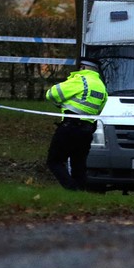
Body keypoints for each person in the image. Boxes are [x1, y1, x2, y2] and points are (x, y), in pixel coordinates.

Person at [45, 57, 108, 191]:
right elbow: (99, 109)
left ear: (83, 67)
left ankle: (72, 189)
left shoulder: (80, 80)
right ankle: (80, 193)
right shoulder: (101, 87)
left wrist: (60, 103)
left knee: (54, 161)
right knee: (79, 165)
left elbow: (51, 94)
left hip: (70, 127)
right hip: (87, 131)